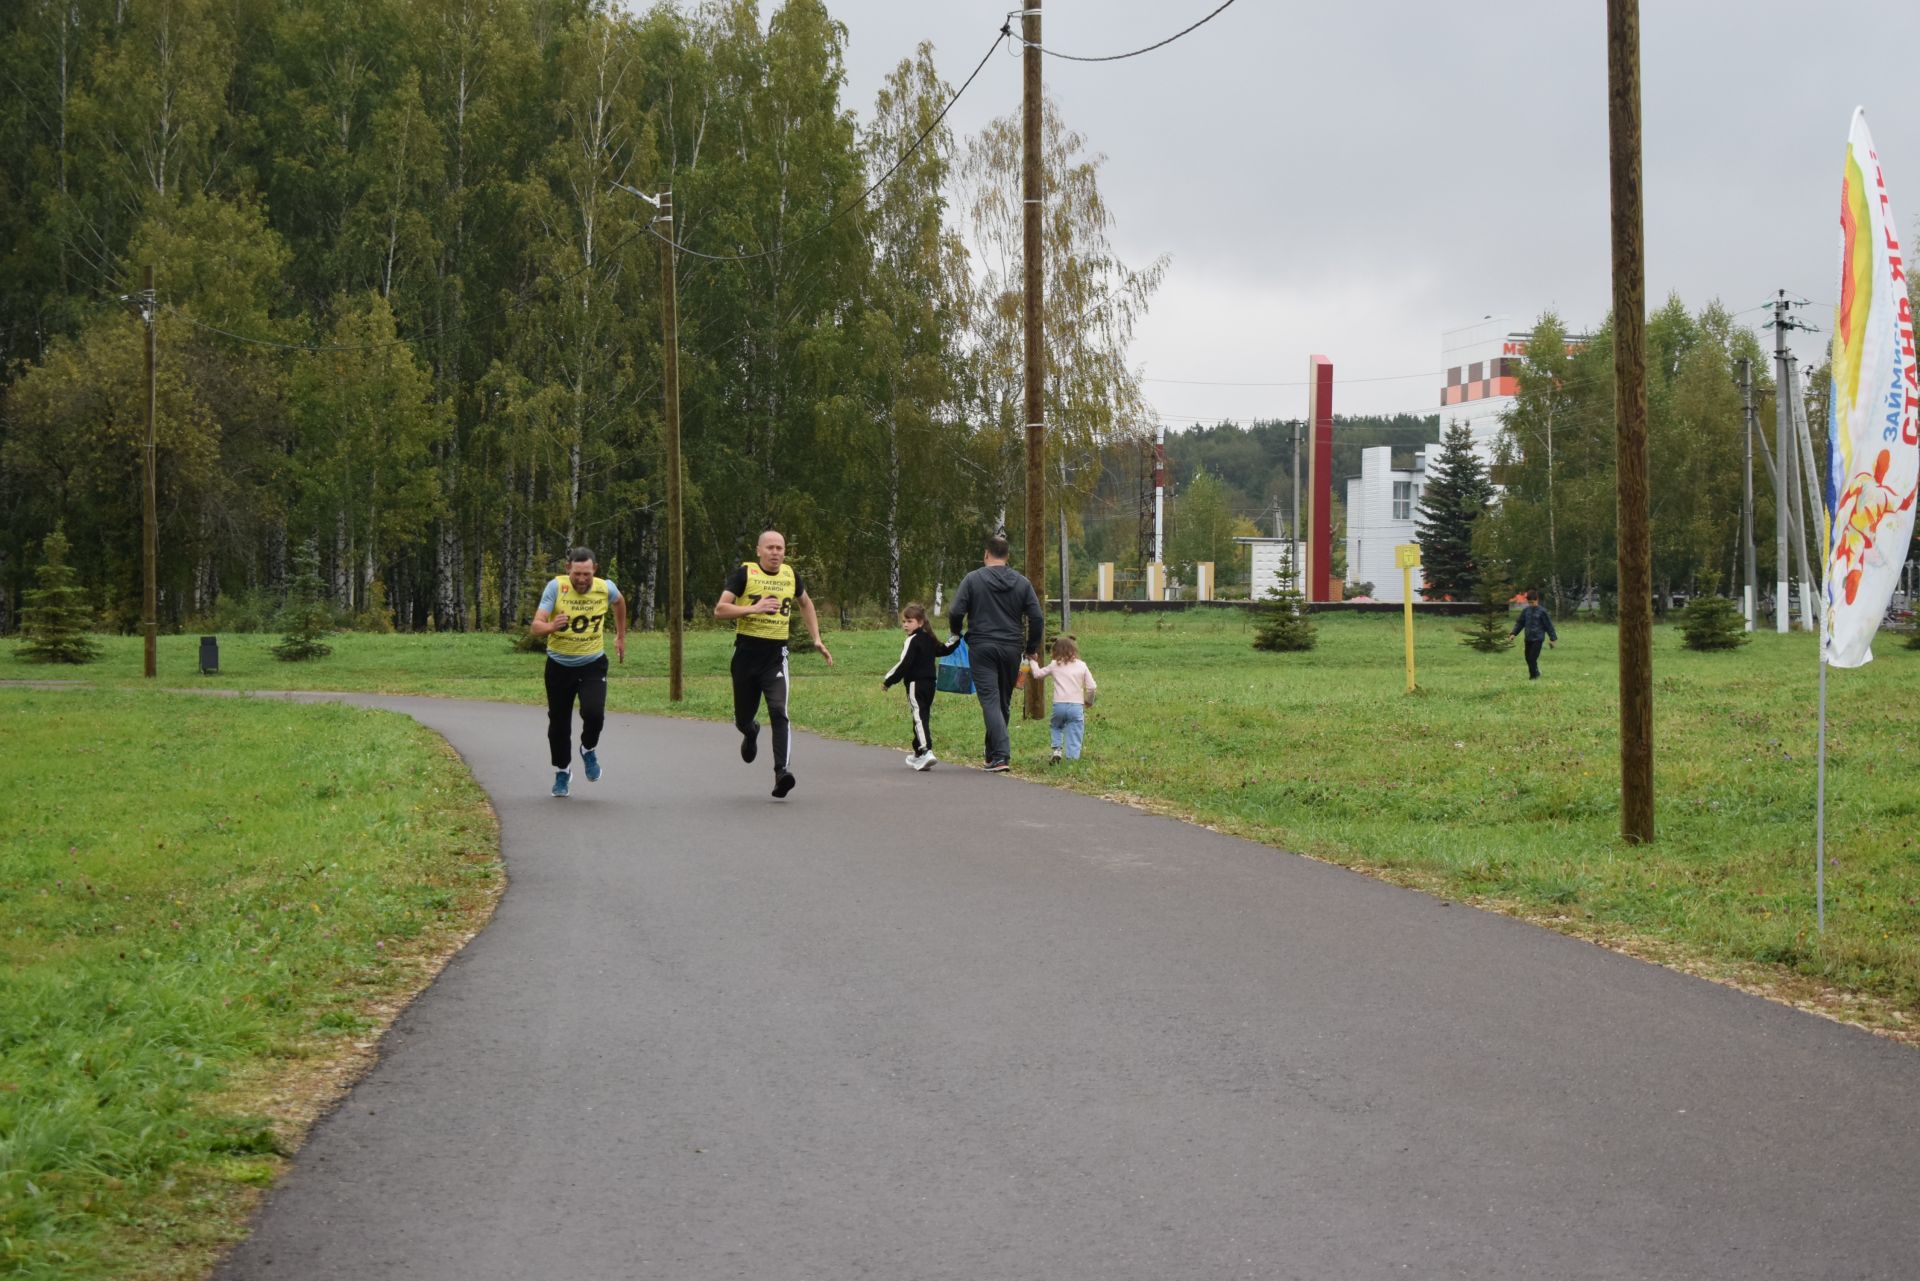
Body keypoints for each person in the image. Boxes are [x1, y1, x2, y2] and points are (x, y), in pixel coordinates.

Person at [713, 530, 834, 798]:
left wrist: (816, 638)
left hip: (775, 656)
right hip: (746, 655)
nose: (776, 553)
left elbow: (806, 603)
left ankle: (782, 772)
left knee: (779, 711)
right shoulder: (745, 574)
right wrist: (752, 609)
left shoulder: (791, 576)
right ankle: (750, 730)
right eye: (770, 548)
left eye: (780, 548)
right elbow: (720, 610)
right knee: (743, 718)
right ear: (759, 550)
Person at [529, 547, 626, 797]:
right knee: (559, 724)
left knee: (594, 713)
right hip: (559, 666)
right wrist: (551, 626)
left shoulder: (605, 588)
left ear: (595, 569)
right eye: (576, 574)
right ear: (567, 569)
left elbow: (619, 602)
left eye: (586, 574)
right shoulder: (556, 588)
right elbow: (535, 627)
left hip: (592, 663)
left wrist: (620, 636)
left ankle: (588, 749)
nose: (581, 580)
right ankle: (562, 771)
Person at [946, 533, 1045, 772]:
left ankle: (1001, 756)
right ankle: (992, 755)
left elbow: (955, 610)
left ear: (986, 554)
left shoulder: (973, 579)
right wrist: (1031, 648)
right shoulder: (1022, 583)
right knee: (1002, 701)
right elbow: (1037, 618)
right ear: (1007, 556)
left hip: (982, 647)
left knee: (990, 700)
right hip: (1011, 648)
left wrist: (956, 633)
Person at [882, 602, 961, 771]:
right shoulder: (928, 638)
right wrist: (956, 639)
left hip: (915, 684)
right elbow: (943, 649)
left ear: (920, 622)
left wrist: (888, 680)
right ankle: (918, 753)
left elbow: (904, 665)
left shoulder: (913, 640)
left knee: (919, 717)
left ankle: (926, 751)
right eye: (904, 621)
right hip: (930, 684)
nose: (905, 625)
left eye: (909, 621)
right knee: (922, 716)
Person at [1029, 634, 1097, 764]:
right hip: (1076, 706)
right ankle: (1072, 759)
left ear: (1055, 651)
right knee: (1075, 730)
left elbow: (1037, 674)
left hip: (1059, 705)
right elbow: (1092, 687)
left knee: (1056, 726)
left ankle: (1057, 750)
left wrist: (1032, 661)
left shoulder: (1055, 665)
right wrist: (1089, 701)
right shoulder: (1082, 665)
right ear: (1074, 649)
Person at [1511, 589, 1558, 680]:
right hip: (1528, 638)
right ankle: (1536, 672)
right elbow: (1520, 623)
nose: (1531, 604)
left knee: (1532, 658)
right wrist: (1514, 633)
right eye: (1529, 603)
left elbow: (1548, 625)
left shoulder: (1542, 612)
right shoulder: (1526, 611)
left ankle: (1533, 677)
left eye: (1533, 602)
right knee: (1528, 658)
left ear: (1537, 600)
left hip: (1538, 638)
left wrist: (1553, 638)